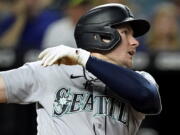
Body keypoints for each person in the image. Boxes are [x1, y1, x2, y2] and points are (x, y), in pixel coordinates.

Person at [0, 3, 162, 135]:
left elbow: (147, 97)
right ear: (102, 37)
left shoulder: (140, 79)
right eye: (126, 33)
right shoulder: (51, 70)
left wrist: (83, 58)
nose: (135, 42)